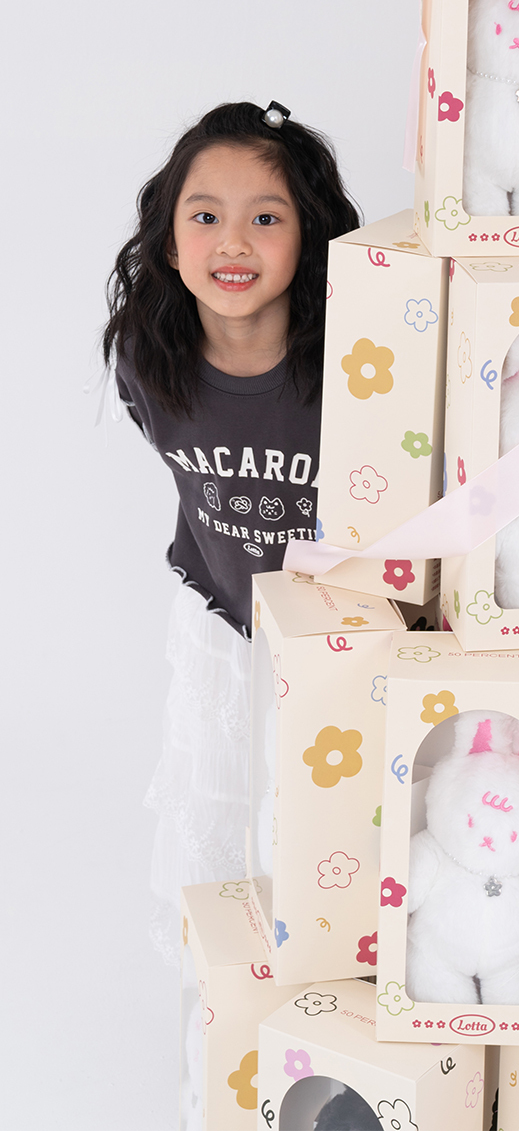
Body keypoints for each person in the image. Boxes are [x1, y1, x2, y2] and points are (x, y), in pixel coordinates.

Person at [103, 100, 361, 960]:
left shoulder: (357, 368)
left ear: (310, 235)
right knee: (219, 817)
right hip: (222, 624)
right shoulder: (146, 357)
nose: (234, 243)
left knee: (324, 829)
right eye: (206, 217)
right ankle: (224, 990)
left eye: (267, 218)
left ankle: (327, 977)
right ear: (170, 239)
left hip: (341, 638)